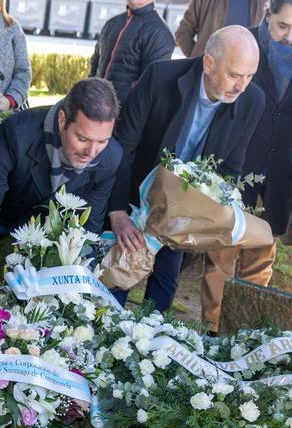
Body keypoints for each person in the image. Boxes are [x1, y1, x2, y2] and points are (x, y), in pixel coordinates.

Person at [198, 0, 292, 332]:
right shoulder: (246, 44)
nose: (291, 35)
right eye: (282, 25)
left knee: (261, 256)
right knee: (222, 255)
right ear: (267, 16)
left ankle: (242, 330)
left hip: (284, 172)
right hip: (238, 162)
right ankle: (212, 328)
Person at [107, 26, 265, 315]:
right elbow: (122, 148)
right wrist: (117, 212)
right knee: (116, 276)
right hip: (135, 194)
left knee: (164, 283)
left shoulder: (252, 101)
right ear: (208, 63)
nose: (242, 86)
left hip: (185, 208)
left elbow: (230, 168)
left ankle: (148, 345)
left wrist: (204, 218)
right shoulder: (159, 78)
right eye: (234, 75)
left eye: (250, 76)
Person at [0, 77, 123, 307]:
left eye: (102, 141)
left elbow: (89, 228)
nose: (92, 152)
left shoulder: (111, 156)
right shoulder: (16, 135)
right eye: (82, 138)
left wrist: (82, 294)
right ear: (62, 119)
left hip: (34, 225)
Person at [89, 0, 175, 107]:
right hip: (93, 108)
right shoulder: (112, 23)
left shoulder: (159, 34)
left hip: (122, 116)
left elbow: (149, 88)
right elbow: (95, 65)